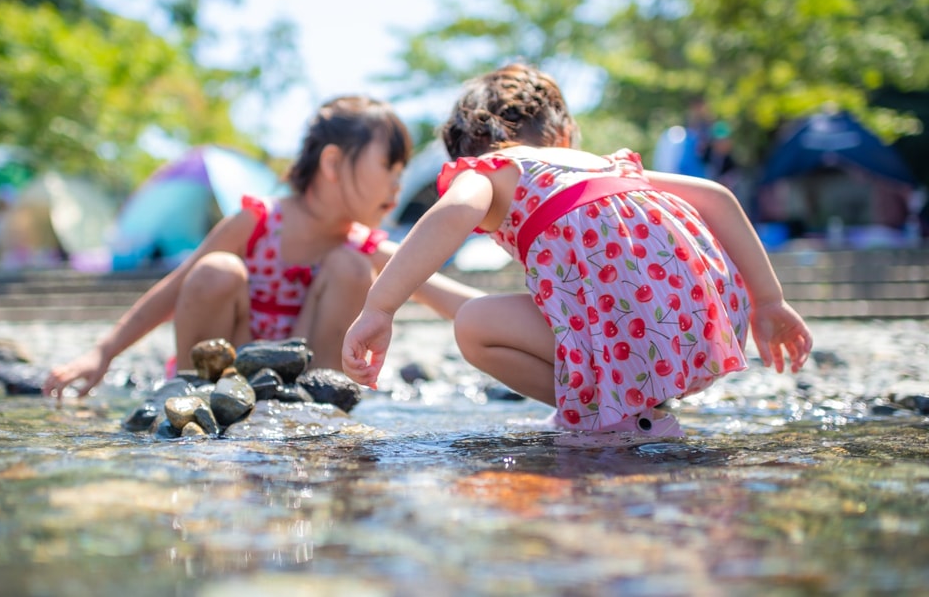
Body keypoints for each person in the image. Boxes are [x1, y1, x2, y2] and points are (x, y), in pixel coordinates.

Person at [342, 64, 812, 436]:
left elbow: (454, 213)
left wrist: (380, 307)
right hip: (699, 327)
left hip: (631, 335)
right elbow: (717, 197)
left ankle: (611, 420)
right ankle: (627, 411)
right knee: (514, 313)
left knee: (475, 326)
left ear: (464, 154)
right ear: (563, 134)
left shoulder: (489, 170)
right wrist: (769, 301)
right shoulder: (605, 165)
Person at [44, 95, 482, 400]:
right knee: (216, 268)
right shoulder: (258, 222)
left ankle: (318, 399)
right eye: (389, 166)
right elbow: (178, 286)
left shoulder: (357, 245)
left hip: (298, 382)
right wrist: (102, 352)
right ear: (332, 164)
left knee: (351, 265)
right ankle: (195, 393)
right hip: (224, 373)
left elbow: (438, 291)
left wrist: (539, 318)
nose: (398, 183)